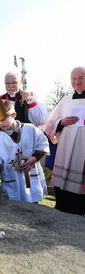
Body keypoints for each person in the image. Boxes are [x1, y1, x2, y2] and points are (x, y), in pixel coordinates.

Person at [0, 99, 49, 203]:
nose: (0, 123)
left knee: (33, 205)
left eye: (3, 119)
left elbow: (43, 143)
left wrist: (34, 158)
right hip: (11, 177)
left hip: (29, 174)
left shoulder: (31, 129)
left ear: (13, 115)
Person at [44, 66, 85, 215]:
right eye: (73, 78)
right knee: (63, 195)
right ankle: (61, 209)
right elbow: (49, 124)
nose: (77, 81)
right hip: (65, 149)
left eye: (81, 78)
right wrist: (61, 122)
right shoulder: (65, 101)